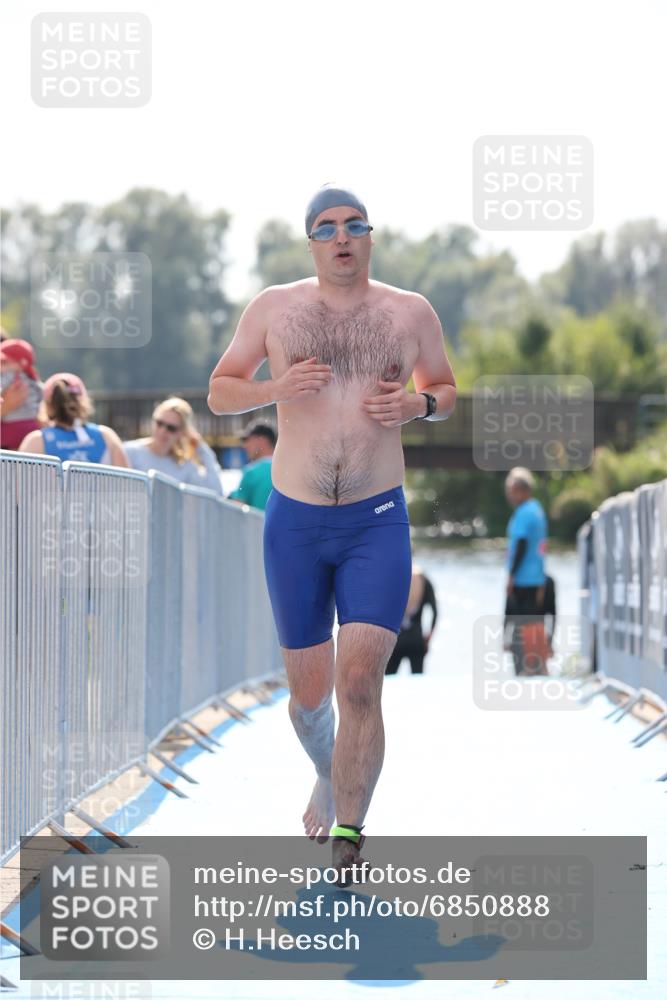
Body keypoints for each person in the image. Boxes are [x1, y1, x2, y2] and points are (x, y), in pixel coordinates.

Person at [207, 183, 456, 881]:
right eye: (326, 228)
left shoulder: (410, 313)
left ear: (370, 237)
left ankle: (350, 830)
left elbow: (446, 389)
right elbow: (219, 389)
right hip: (296, 521)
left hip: (376, 520)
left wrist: (418, 403)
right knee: (309, 696)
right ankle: (326, 770)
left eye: (354, 225)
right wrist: (272, 390)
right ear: (311, 242)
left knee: (358, 686)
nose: (342, 236)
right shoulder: (274, 309)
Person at [18, 372, 129, 467]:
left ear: (47, 405)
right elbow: (128, 484)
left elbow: (20, 487)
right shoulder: (106, 436)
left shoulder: (36, 441)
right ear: (83, 401)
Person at [124, 397, 224, 494]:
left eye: (171, 428)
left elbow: (216, 490)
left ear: (182, 432)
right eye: (159, 423)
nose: (163, 431)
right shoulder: (128, 452)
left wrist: (201, 447)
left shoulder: (184, 465)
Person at [503, 467, 550, 675]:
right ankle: (538, 668)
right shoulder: (537, 510)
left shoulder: (523, 513)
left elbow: (521, 545)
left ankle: (525, 671)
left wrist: (511, 575)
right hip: (536, 578)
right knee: (533, 625)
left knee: (519, 630)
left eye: (511, 490)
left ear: (522, 490)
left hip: (523, 579)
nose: (509, 495)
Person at [385, 562, 438, 674]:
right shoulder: (424, 580)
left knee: (387, 681)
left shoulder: (394, 578)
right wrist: (429, 637)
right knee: (418, 681)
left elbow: (383, 609)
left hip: (396, 639)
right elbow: (435, 612)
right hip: (416, 639)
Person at [0, 339, 44, 450]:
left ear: (21, 363)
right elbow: (42, 395)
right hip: (32, 426)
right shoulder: (32, 380)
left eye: (4, 362)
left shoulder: (9, 376)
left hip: (11, 427)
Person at [227, 420, 276, 510]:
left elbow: (237, 509)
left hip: (259, 524)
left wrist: (230, 497)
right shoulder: (288, 471)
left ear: (262, 440)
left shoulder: (251, 472)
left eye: (248, 440)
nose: (244, 446)